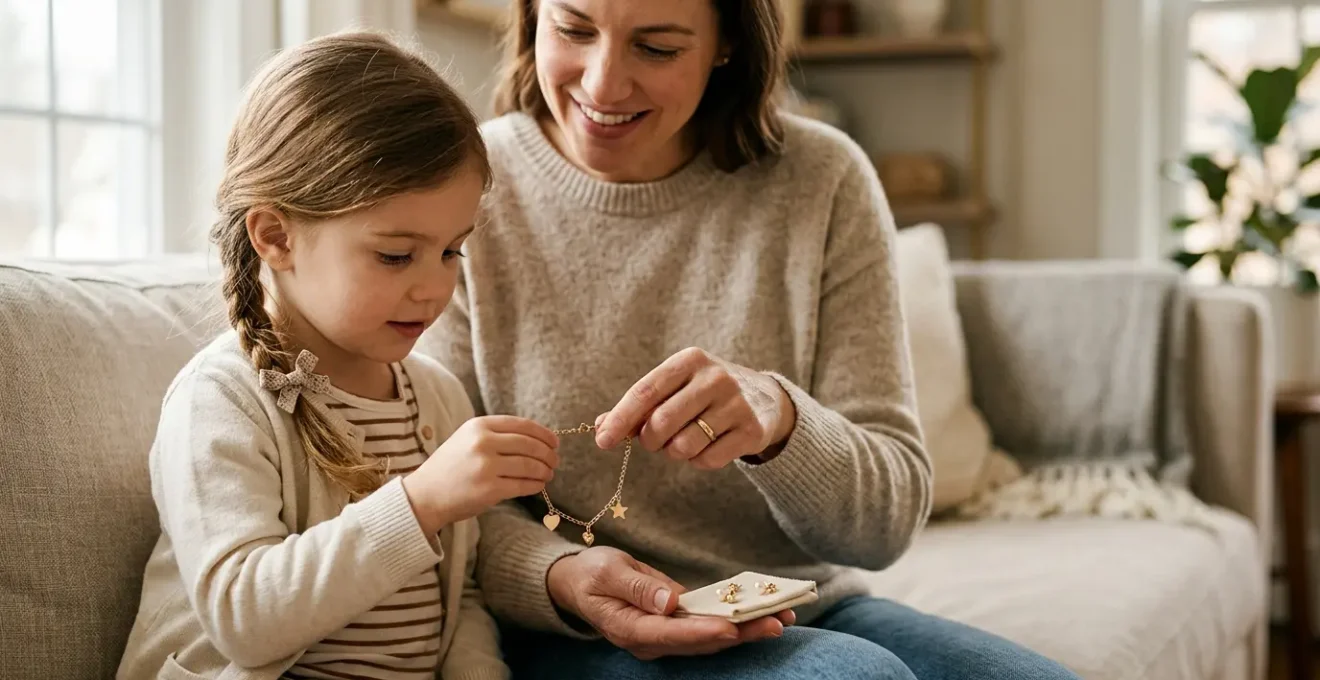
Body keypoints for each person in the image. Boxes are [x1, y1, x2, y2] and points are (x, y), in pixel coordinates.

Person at [422, 0, 1082, 678]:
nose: (602, 84)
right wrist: (558, 574)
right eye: (573, 29)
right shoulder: (463, 190)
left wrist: (784, 424)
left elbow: (886, 521)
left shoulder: (823, 180)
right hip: (575, 628)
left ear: (727, 45)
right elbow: (445, 498)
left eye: (657, 47)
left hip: (802, 605)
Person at [117, 32, 560, 680]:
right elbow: (245, 618)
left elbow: (457, 597)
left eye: (451, 251)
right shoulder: (223, 399)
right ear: (276, 236)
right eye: (395, 254)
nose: (435, 286)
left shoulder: (435, 398)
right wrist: (421, 502)